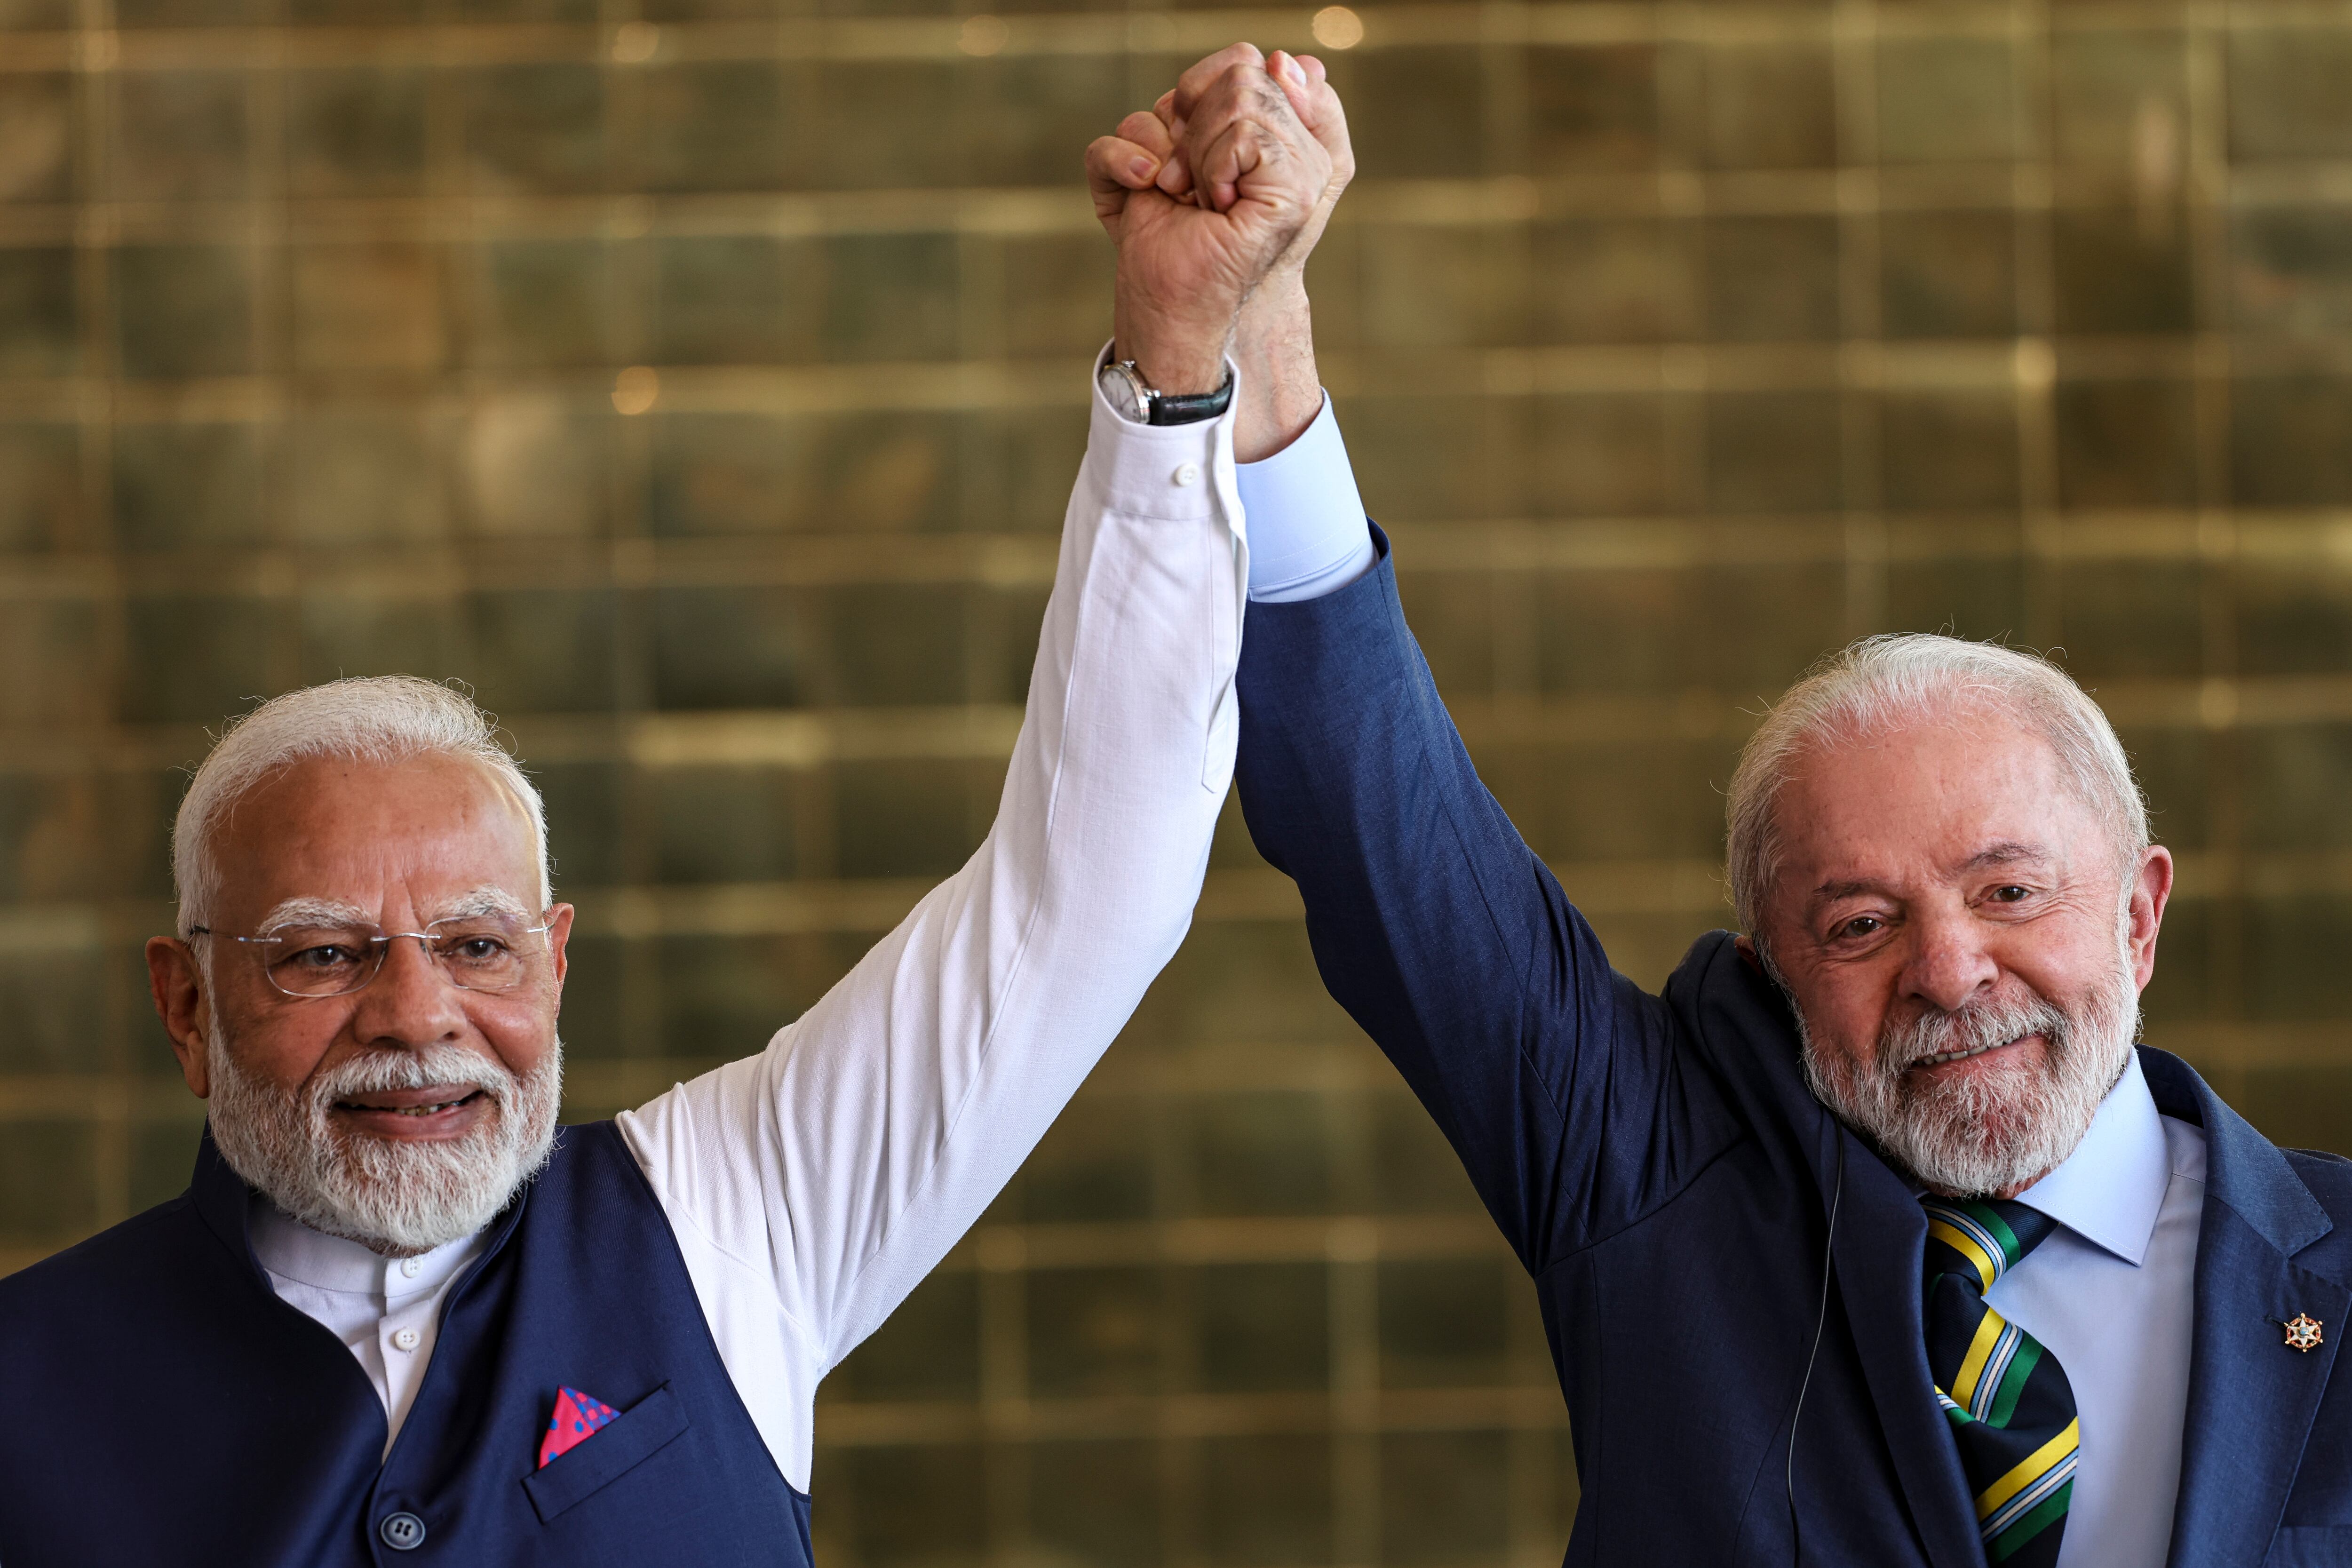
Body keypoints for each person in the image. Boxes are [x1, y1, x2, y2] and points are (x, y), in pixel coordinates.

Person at [0, 57, 1340, 1568]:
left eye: (479, 945)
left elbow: (1081, 898)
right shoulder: (27, 1381)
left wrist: (1174, 367)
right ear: (186, 1005)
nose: (418, 1015)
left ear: (558, 962)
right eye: (322, 955)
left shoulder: (728, 1217)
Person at [1097, 47, 2352, 1568]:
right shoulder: (1660, 1188)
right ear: (1769, 966)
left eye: (2012, 892)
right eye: (1862, 921)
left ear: (2140, 912)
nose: (1950, 974)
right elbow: (1382, 823)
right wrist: (1251, 312)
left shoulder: (2334, 1280)